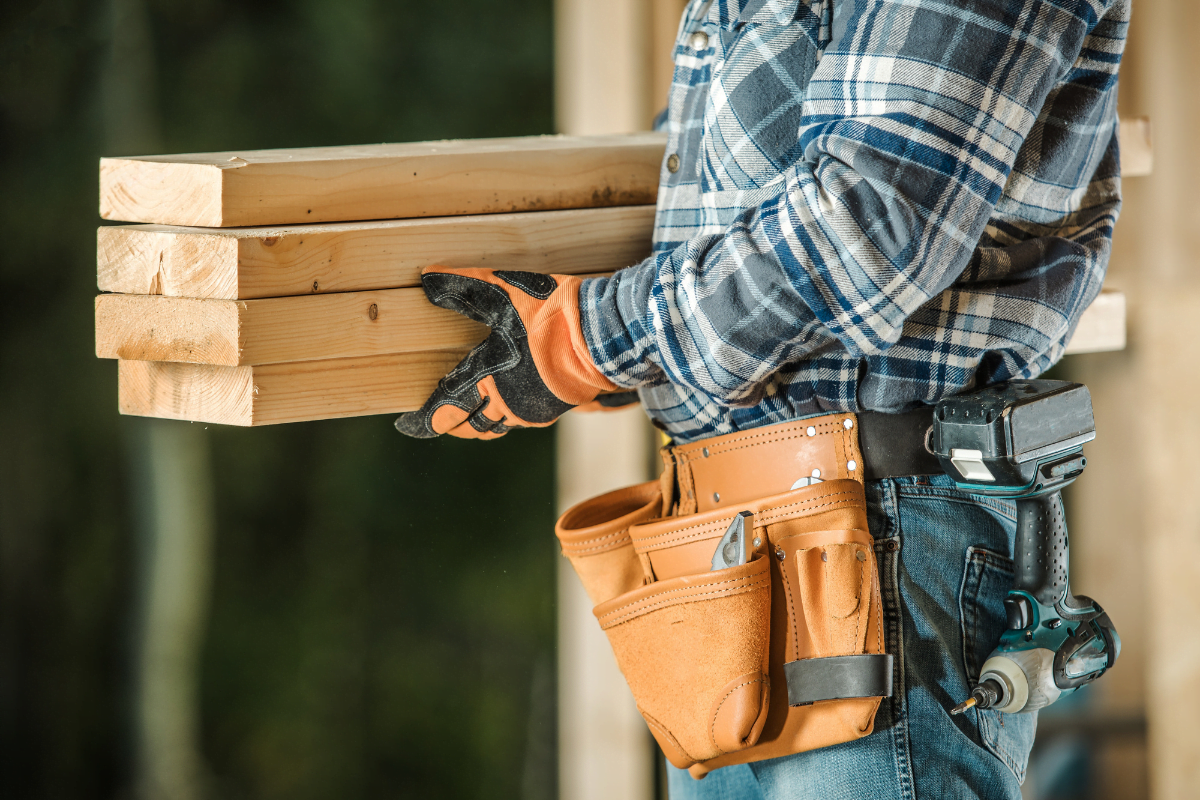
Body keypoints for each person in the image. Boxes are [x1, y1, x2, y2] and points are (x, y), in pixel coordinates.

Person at [395, 0, 1129, 797]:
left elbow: (875, 216)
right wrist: (645, 348)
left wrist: (593, 343)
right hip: (729, 550)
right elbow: (724, 205)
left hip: (883, 533)